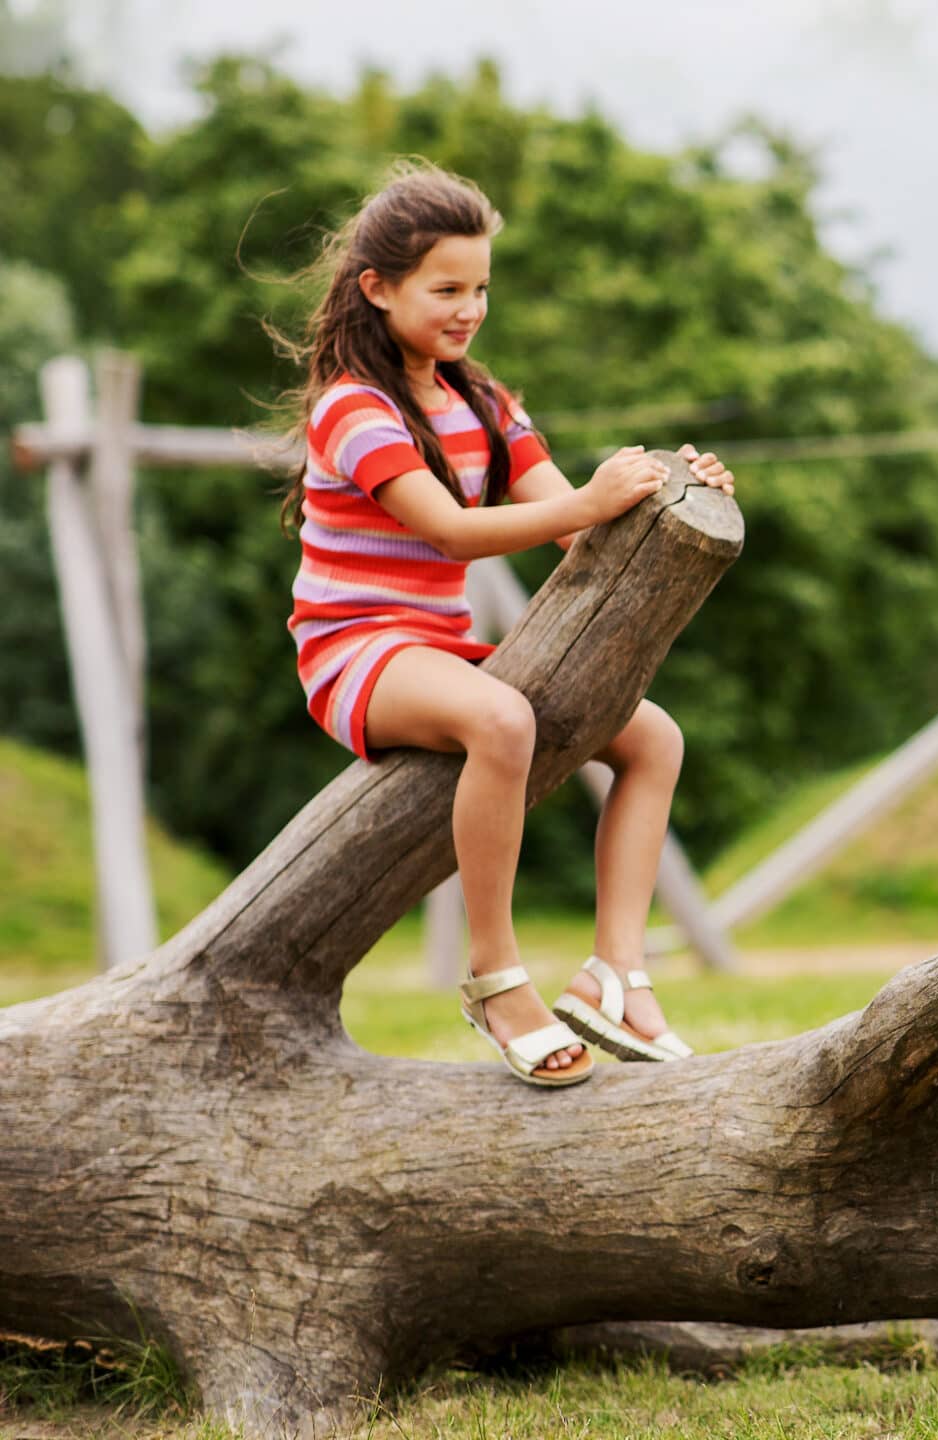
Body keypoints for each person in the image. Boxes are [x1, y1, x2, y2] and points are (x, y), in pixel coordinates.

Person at [280, 162, 735, 1086]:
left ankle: (617, 973)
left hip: (444, 647)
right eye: (446, 289)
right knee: (503, 721)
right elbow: (451, 529)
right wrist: (593, 503)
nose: (469, 308)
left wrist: (668, 488)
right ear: (379, 289)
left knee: (653, 739)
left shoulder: (485, 404)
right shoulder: (353, 409)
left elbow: (575, 529)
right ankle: (495, 978)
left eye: (480, 287)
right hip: (356, 650)